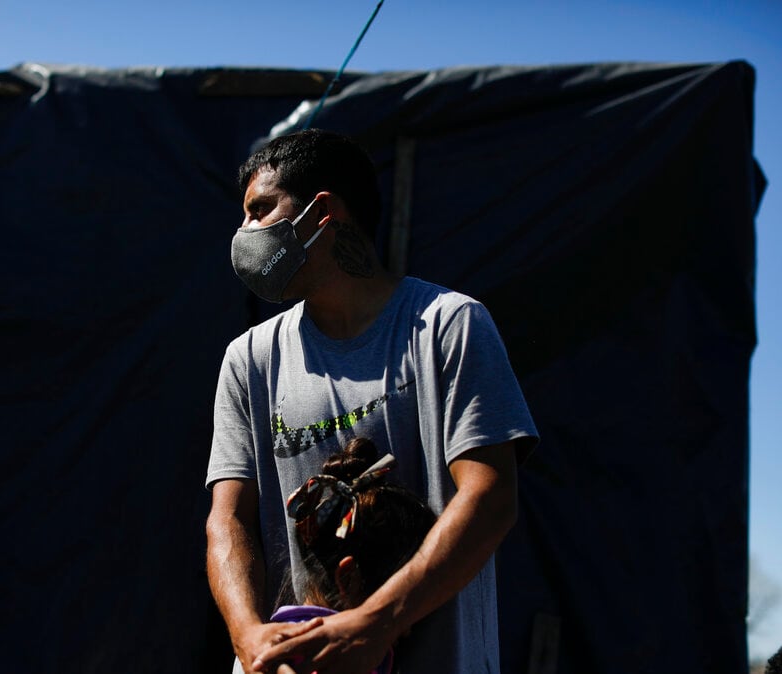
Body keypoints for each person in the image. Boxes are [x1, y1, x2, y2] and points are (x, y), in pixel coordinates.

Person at [206, 128, 539, 674]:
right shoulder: (250, 360)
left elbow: (491, 496)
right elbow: (229, 520)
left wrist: (376, 623)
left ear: (324, 212)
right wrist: (250, 641)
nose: (244, 233)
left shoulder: (446, 326)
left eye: (260, 210)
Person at [231, 437, 436, 674]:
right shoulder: (333, 661)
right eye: (403, 587)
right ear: (349, 579)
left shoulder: (258, 649)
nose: (409, 622)